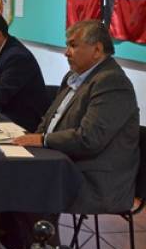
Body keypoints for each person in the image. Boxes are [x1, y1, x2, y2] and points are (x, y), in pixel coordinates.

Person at [14, 20, 140, 213]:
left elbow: (90, 138)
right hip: (63, 161)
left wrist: (42, 140)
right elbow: (49, 120)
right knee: (9, 170)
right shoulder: (73, 77)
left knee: (21, 184)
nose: (66, 53)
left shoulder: (112, 82)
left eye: (73, 46)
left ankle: (35, 233)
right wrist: (33, 142)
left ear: (97, 50)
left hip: (94, 181)